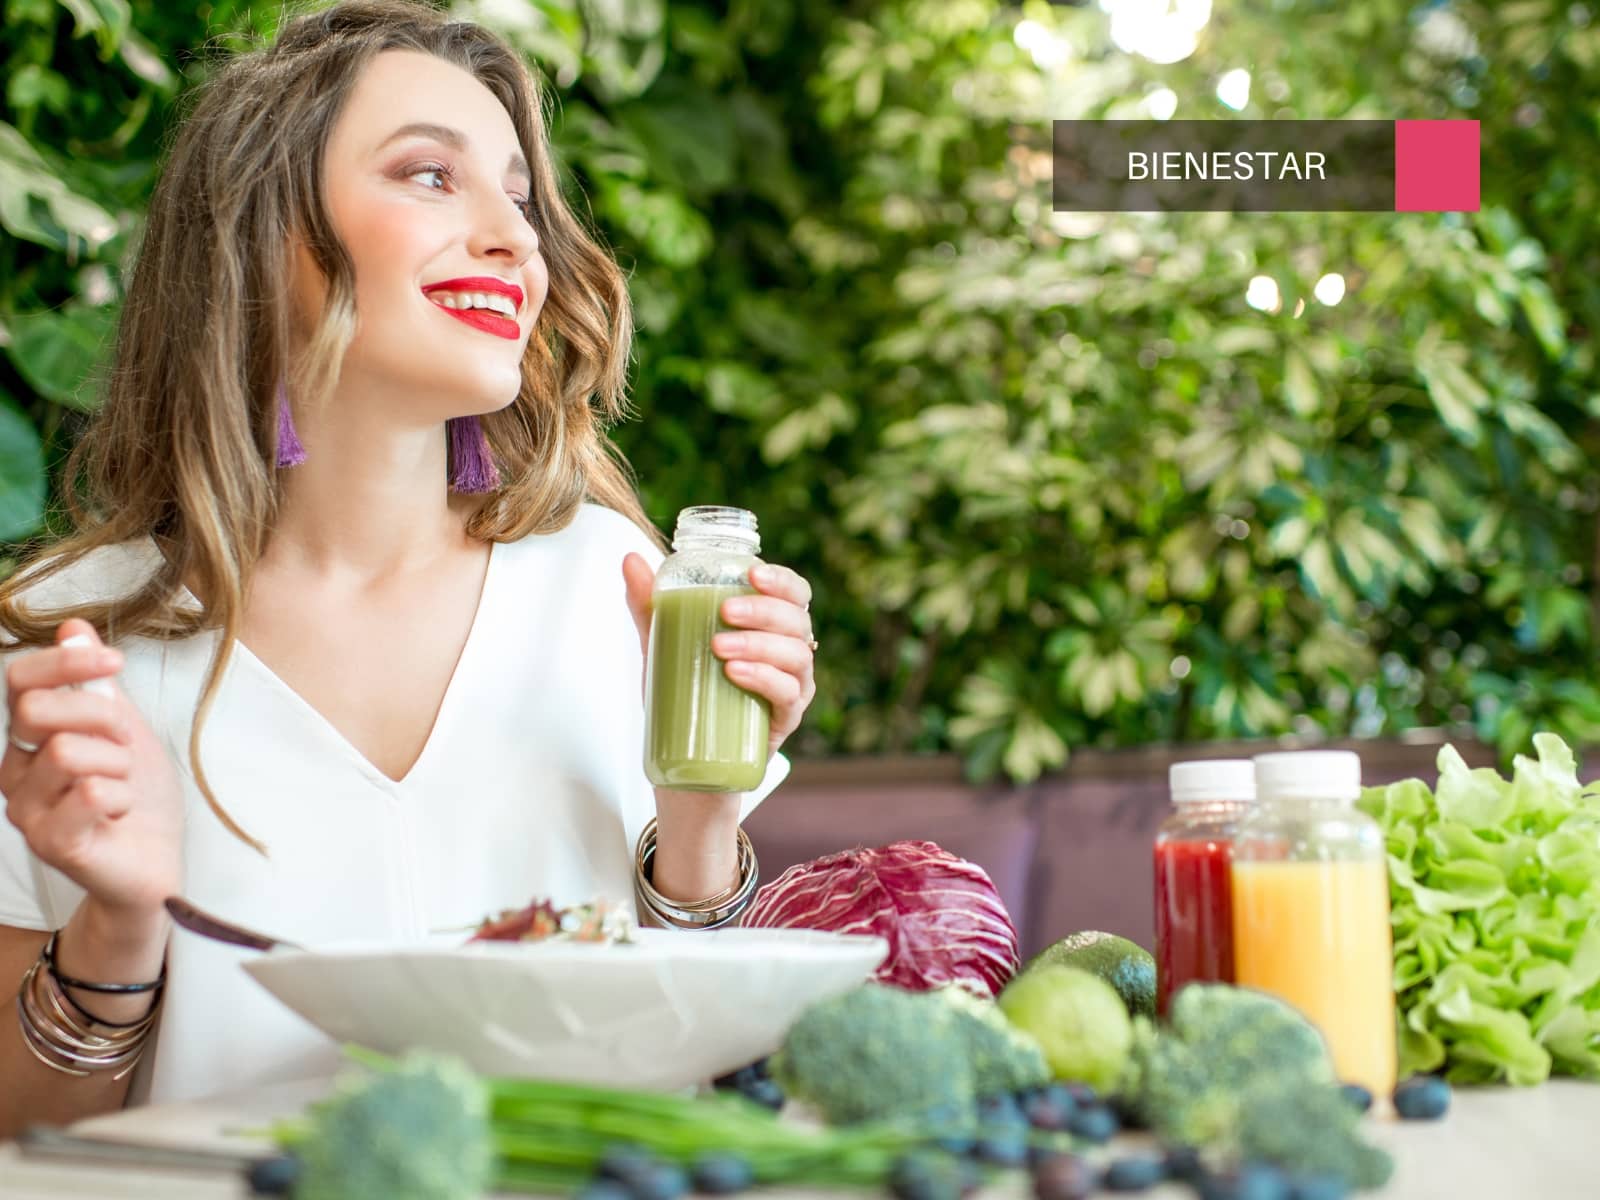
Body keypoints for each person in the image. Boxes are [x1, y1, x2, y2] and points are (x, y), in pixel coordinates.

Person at [0, 0, 817, 1134]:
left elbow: (694, 1084)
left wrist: (695, 832)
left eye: (521, 198)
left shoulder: (613, 587)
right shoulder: (63, 641)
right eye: (430, 176)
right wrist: (119, 927)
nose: (514, 237)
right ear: (265, 230)